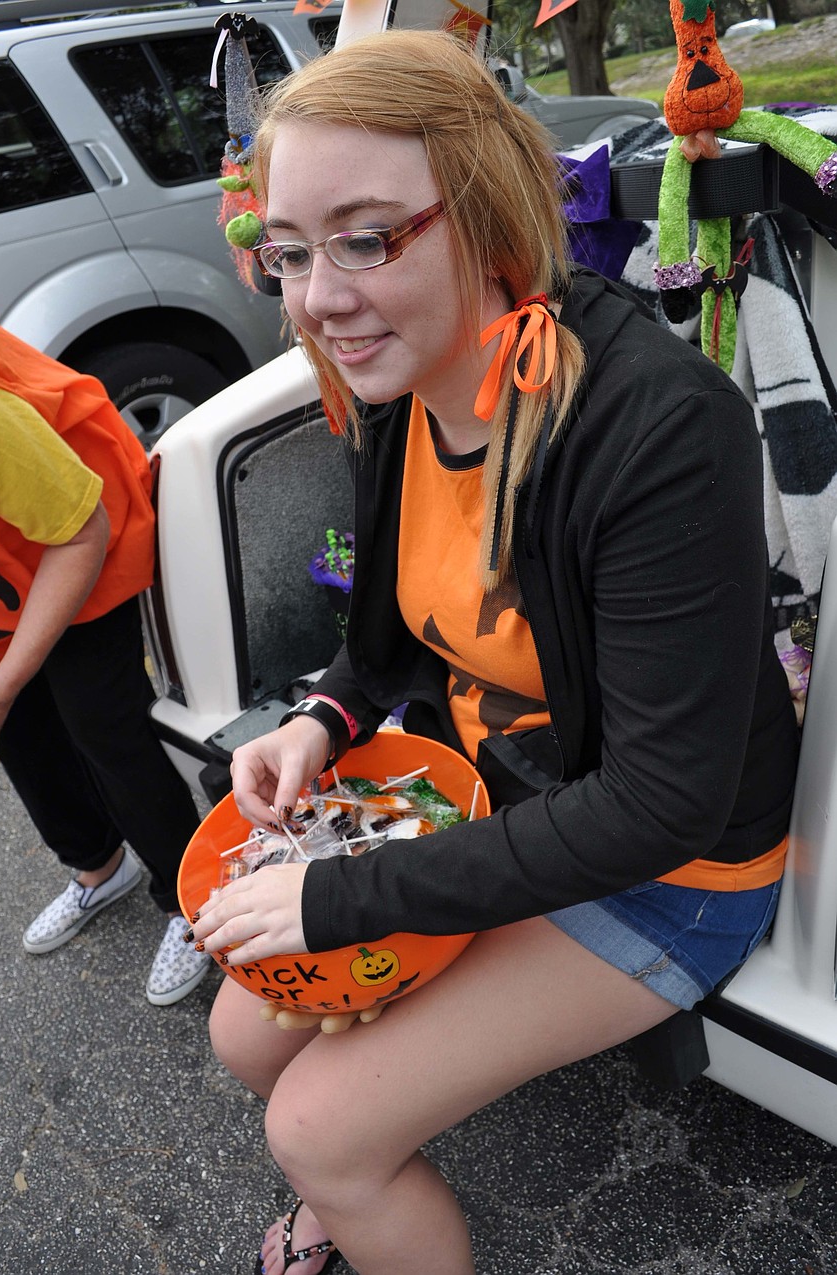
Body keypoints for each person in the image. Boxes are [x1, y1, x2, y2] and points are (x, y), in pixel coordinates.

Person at [190, 29, 800, 1275]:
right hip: (506, 802)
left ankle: (343, 1176)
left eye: (366, 238)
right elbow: (385, 646)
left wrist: (340, 892)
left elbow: (659, 803)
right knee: (246, 1040)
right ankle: (353, 1180)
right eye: (293, 252)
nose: (320, 299)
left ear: (483, 207)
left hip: (671, 869)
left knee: (314, 1121)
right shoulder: (393, 383)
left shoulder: (654, 426)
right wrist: (322, 722)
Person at [0, 319, 210, 1006]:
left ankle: (190, 901)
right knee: (22, 732)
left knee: (100, 719)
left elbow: (80, 530)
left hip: (80, 523)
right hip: (5, 548)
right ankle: (96, 865)